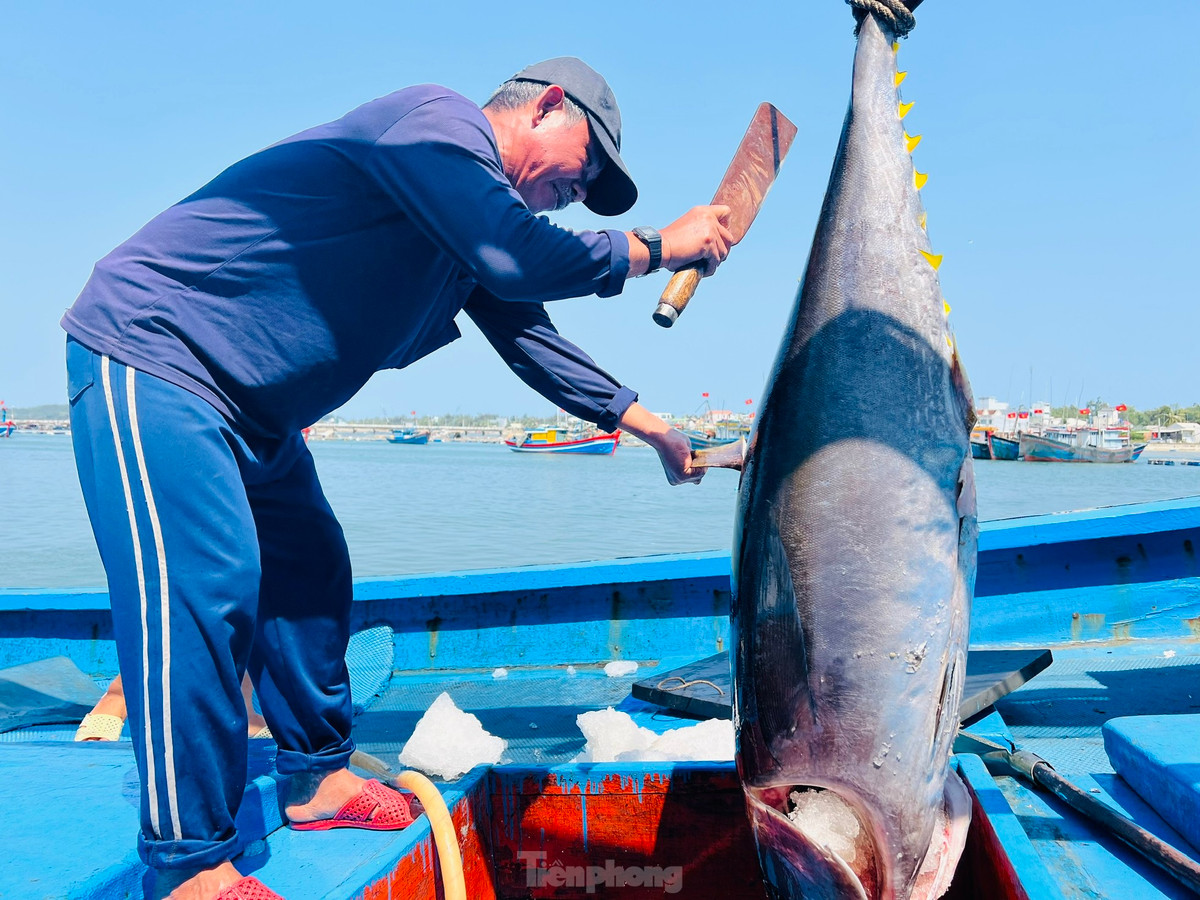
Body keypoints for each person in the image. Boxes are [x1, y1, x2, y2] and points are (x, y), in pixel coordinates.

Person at [62, 57, 731, 900]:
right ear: (547, 106)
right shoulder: (432, 124)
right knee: (202, 590)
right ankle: (189, 866)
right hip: (155, 356)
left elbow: (532, 339)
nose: (579, 190)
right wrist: (658, 247)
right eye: (584, 167)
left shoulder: (468, 230)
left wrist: (651, 430)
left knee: (310, 573)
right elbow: (521, 258)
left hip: (256, 410)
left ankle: (315, 781)